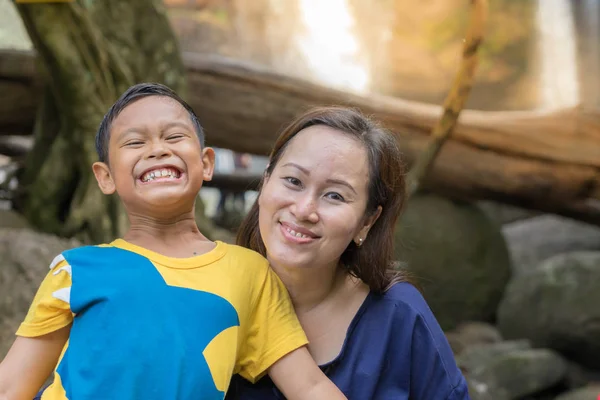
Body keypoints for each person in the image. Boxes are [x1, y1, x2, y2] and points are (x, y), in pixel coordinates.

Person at [0, 84, 347, 400]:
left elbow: (308, 385)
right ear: (105, 177)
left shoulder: (250, 272)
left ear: (206, 163)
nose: (157, 150)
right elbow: (12, 385)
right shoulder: (76, 270)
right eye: (135, 142)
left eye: (174, 137)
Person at [226, 107, 469, 399]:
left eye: (335, 196)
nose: (304, 210)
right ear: (266, 181)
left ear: (367, 220)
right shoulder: (213, 294)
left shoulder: (399, 317)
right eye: (293, 181)